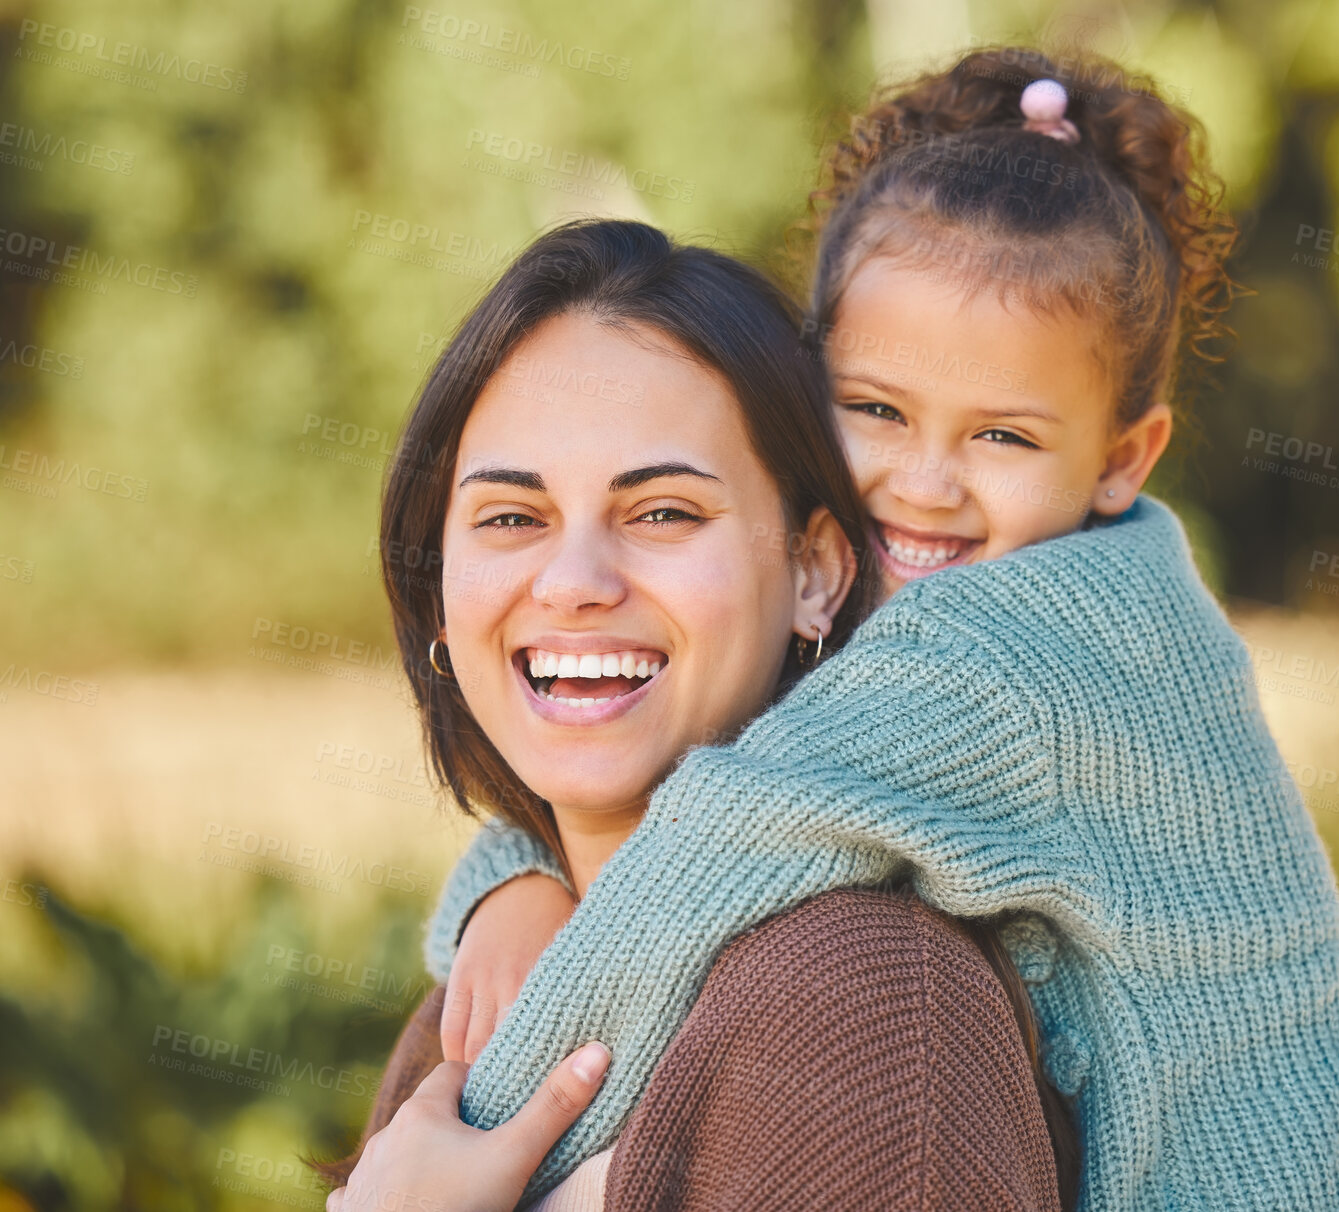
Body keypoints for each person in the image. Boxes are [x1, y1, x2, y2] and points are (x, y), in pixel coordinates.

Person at [429, 47, 1339, 1211]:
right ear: (809, 388)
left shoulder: (1017, 649)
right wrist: (513, 883)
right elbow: (668, 792)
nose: (924, 484)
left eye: (1000, 438)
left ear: (1120, 458)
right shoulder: (977, 603)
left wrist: (489, 1147)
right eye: (874, 411)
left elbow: (723, 842)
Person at [316, 216, 1072, 1211]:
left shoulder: (864, 1006)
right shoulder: (476, 1013)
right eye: (512, 518)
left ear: (813, 573)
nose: (573, 581)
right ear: (439, 595)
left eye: (663, 512)